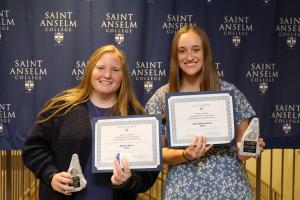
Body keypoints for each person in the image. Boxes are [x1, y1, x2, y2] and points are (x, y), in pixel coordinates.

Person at [22, 45, 158, 200]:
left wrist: (129, 180)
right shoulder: (61, 107)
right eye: (100, 68)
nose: (107, 75)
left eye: (115, 70)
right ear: (89, 71)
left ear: (123, 76)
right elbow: (33, 148)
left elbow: (149, 173)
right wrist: (51, 174)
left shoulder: (136, 115)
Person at [145, 25, 265, 200]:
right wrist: (186, 154)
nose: (189, 57)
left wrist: (251, 148)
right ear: (175, 56)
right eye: (182, 51)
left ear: (205, 53)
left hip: (230, 190)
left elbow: (242, 150)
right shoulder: (161, 98)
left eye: (196, 50)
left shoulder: (228, 93)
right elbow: (158, 152)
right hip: (182, 192)